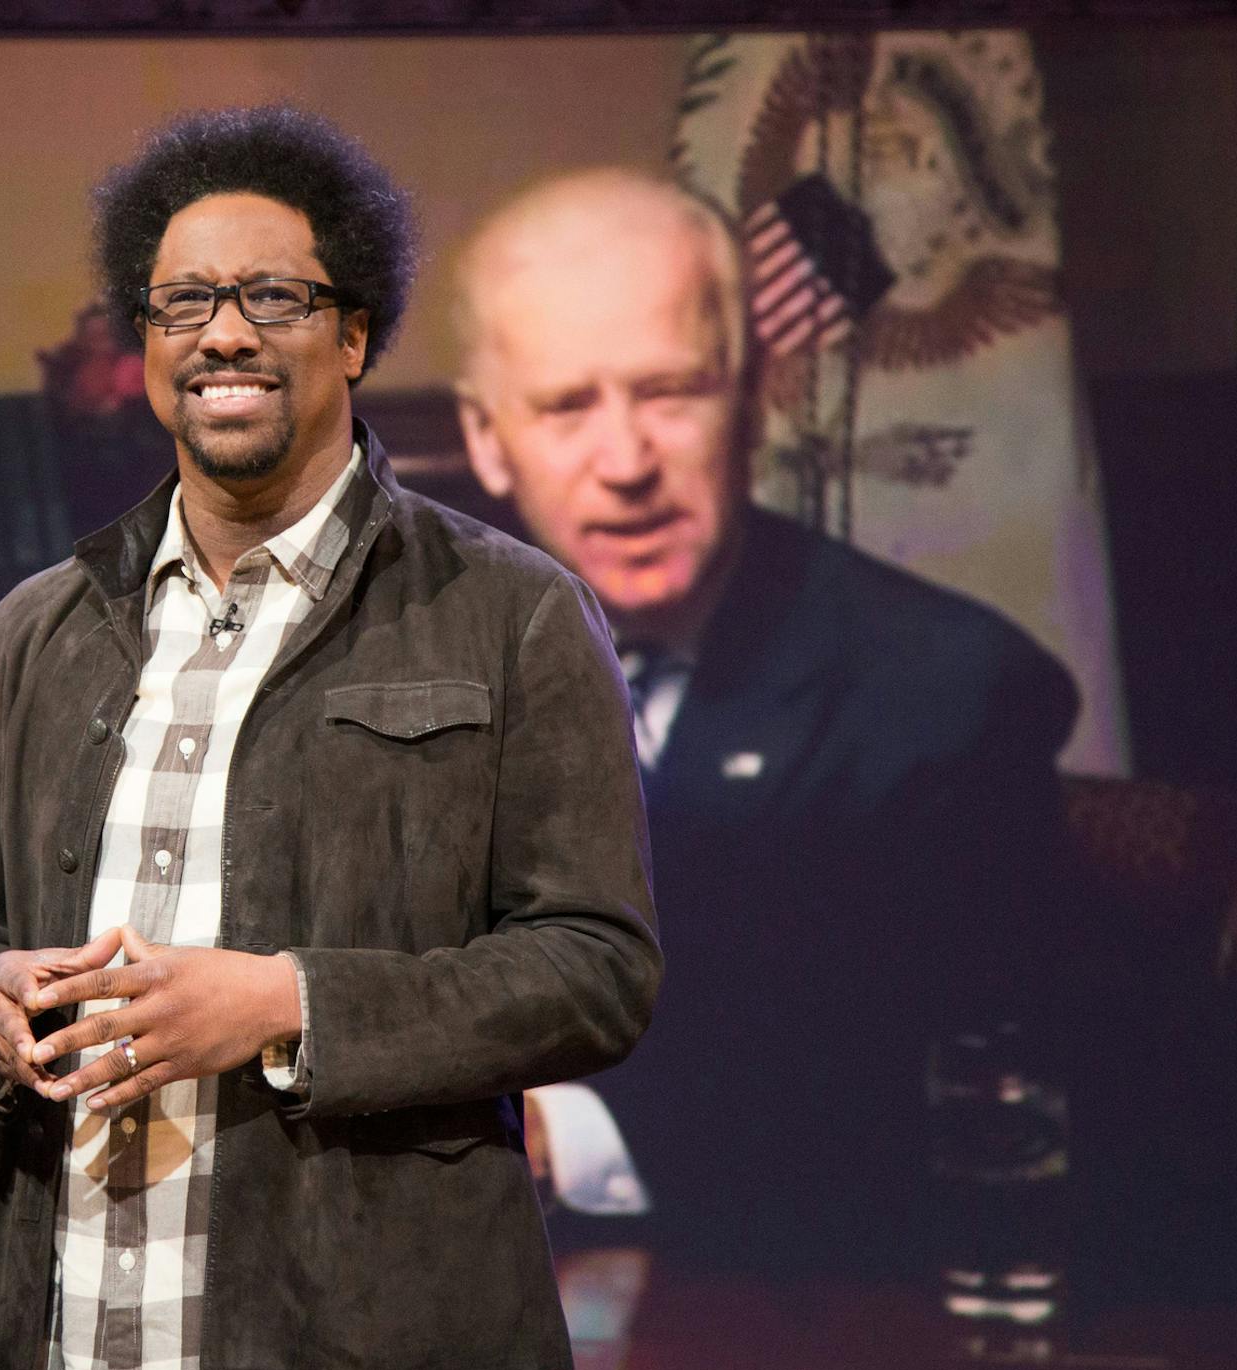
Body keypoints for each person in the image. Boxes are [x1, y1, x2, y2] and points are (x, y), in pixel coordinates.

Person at [0, 107, 660, 1370]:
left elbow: (595, 968)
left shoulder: (513, 613)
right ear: (146, 343)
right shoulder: (34, 631)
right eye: (185, 298)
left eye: (273, 296)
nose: (226, 333)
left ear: (355, 335)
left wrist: (281, 1003)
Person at [453, 168, 1079, 1262]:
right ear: (487, 439)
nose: (626, 462)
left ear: (753, 395)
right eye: (566, 407)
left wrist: (557, 1131)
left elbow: (909, 1098)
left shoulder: (947, 695)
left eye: (670, 391)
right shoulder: (392, 667)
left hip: (799, 1319)